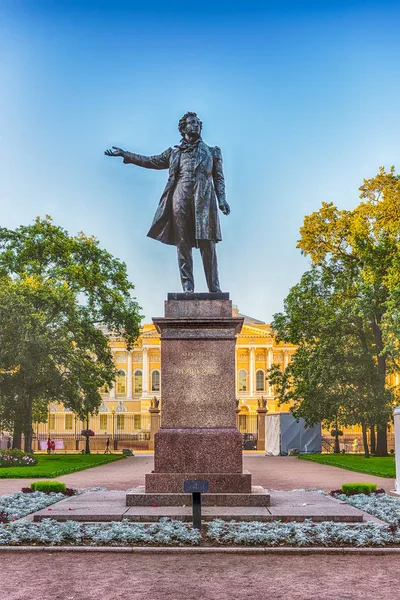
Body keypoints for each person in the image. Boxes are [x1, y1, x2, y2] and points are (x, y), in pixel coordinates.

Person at [105, 112, 230, 293]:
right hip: (180, 199)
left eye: (197, 123)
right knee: (183, 244)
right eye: (191, 123)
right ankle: (188, 288)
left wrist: (223, 199)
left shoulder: (213, 152)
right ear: (183, 128)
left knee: (207, 244)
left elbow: (219, 178)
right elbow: (150, 161)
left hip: (204, 201)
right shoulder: (174, 153)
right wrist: (126, 154)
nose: (195, 125)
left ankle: (214, 289)